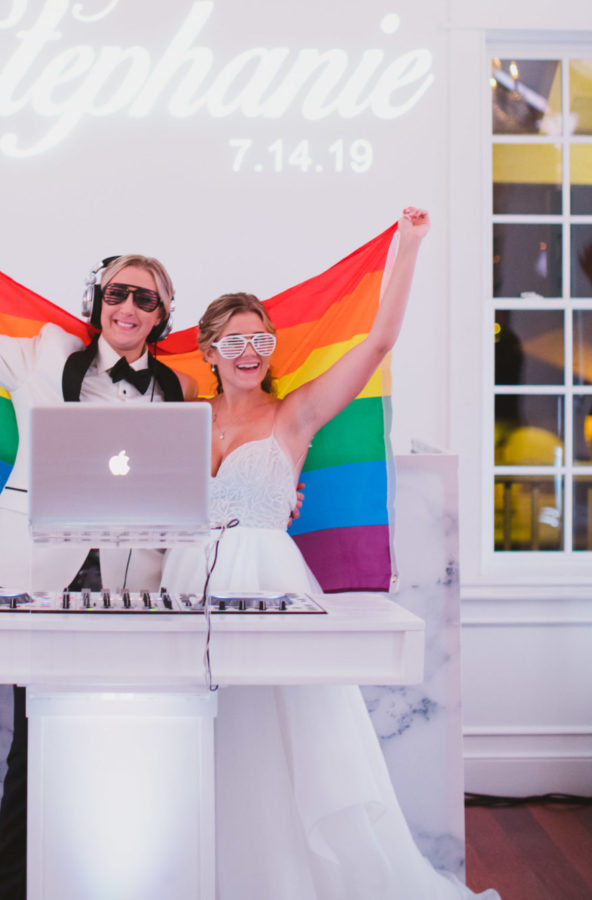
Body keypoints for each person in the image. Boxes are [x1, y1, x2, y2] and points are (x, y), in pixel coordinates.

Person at [162, 208, 501, 900]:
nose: (250, 350)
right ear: (209, 351)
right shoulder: (182, 415)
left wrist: (407, 247)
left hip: (269, 585)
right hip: (187, 583)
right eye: (235, 340)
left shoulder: (296, 414)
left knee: (281, 740)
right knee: (204, 734)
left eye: (261, 338)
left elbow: (378, 341)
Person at [0, 168, 196, 898]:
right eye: (117, 291)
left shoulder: (181, 387)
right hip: (40, 573)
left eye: (144, 297)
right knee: (35, 745)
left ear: (161, 316)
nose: (127, 305)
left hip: (137, 589)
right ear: (98, 303)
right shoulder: (44, 354)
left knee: (130, 745)